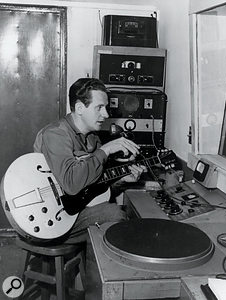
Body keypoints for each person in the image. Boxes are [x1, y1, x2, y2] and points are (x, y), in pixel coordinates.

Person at [34, 78, 145, 244]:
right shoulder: (55, 134)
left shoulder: (93, 137)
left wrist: (120, 180)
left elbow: (92, 188)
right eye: (99, 108)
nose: (106, 114)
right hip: (52, 218)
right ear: (79, 108)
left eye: (106, 108)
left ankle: (93, 265)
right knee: (115, 215)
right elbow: (72, 184)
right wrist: (105, 150)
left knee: (115, 212)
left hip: (77, 209)